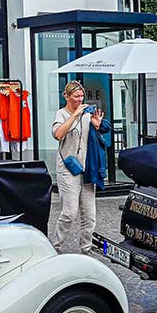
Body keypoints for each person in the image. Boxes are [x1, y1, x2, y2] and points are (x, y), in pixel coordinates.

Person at [51, 81, 106, 254]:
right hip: (68, 169)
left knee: (89, 214)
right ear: (66, 96)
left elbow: (95, 136)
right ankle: (55, 246)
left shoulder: (87, 115)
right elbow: (58, 134)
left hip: (87, 168)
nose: (80, 99)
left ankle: (86, 248)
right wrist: (74, 115)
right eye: (76, 96)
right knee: (69, 212)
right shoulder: (61, 114)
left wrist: (96, 125)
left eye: (81, 96)